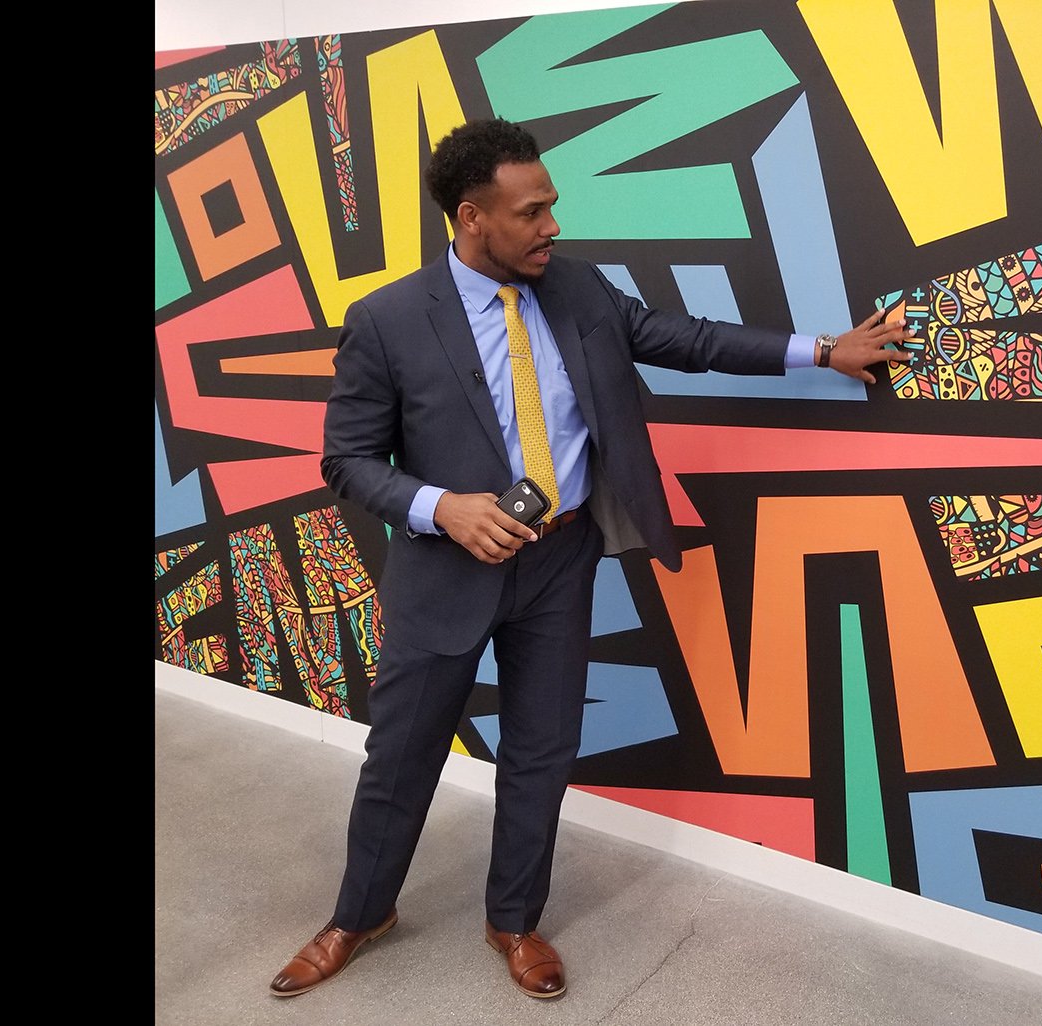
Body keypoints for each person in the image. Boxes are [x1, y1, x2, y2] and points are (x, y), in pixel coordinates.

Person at [267, 117, 913, 1000]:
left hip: (559, 563)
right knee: (402, 759)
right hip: (445, 576)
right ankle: (358, 913)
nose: (553, 226)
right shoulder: (387, 322)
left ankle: (515, 920)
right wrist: (440, 507)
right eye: (532, 212)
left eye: (552, 207)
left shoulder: (578, 291)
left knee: (542, 752)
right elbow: (346, 461)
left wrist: (824, 350)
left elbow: (690, 340)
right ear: (471, 218)